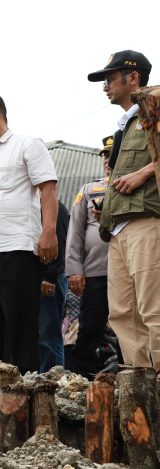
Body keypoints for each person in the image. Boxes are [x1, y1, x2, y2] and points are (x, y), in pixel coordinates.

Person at [0, 93, 58, 374]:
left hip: (15, 247)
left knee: (19, 324)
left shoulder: (27, 144)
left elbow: (48, 189)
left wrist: (49, 232)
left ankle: (23, 395)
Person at [88, 50, 160, 369]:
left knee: (153, 309)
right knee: (122, 315)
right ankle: (139, 393)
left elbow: (145, 168)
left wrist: (144, 173)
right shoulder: (124, 124)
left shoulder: (154, 107)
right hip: (119, 230)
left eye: (110, 77)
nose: (106, 85)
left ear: (133, 78)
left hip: (146, 222)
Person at [65, 136, 113, 376]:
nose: (107, 159)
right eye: (104, 155)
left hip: (130, 269)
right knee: (90, 329)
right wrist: (74, 269)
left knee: (132, 329)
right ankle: (80, 383)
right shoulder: (88, 189)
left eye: (112, 154)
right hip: (96, 273)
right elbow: (75, 231)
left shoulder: (140, 185)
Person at [38, 201, 70, 372]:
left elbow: (60, 243)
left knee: (49, 337)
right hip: (35, 278)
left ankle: (53, 383)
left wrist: (50, 276)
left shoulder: (54, 207)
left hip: (51, 278)